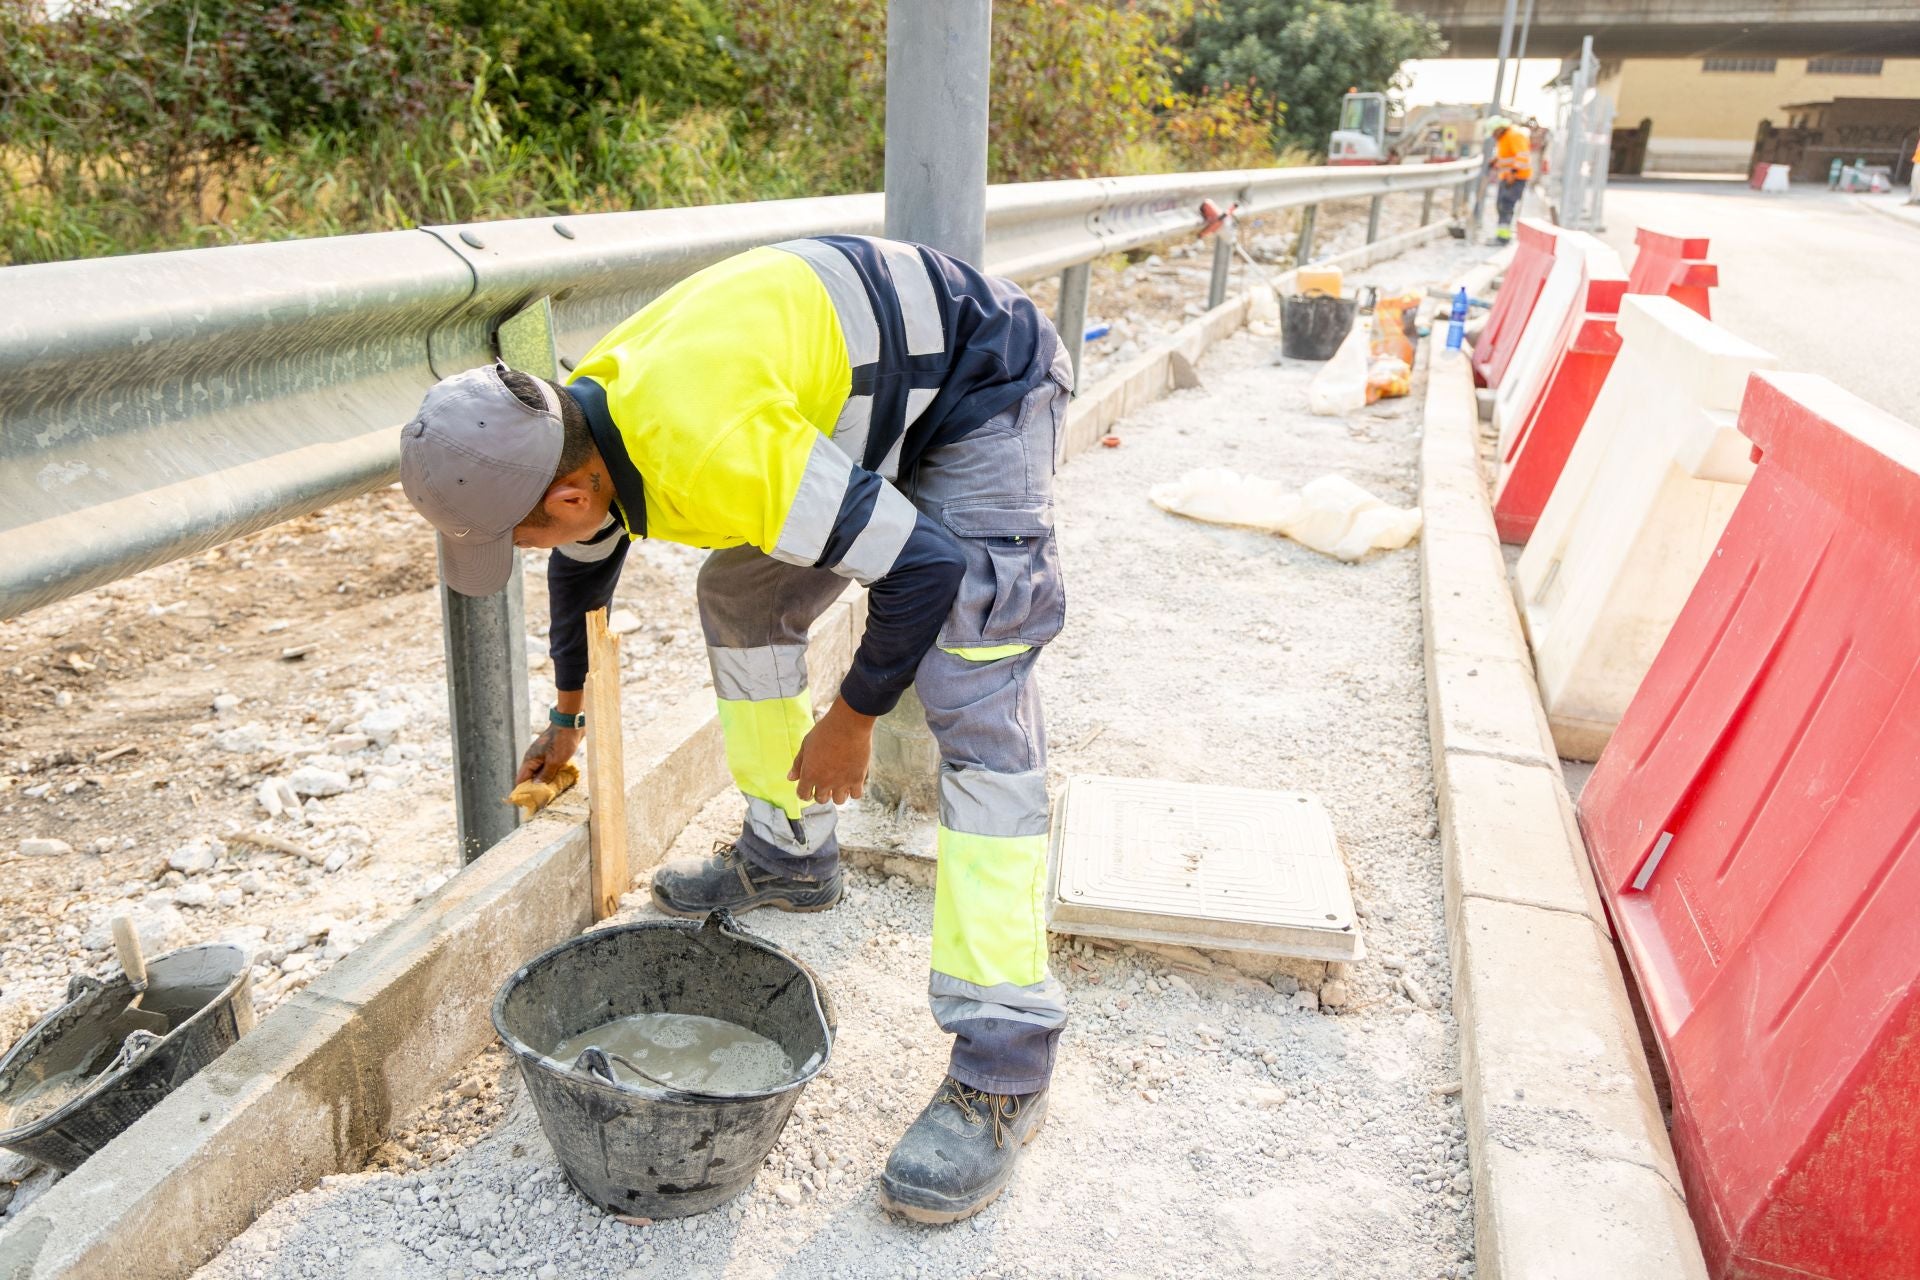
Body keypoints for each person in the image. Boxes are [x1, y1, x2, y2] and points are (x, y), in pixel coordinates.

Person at [398, 235, 1071, 1224]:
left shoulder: (709, 444)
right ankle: (790, 851)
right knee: (742, 593)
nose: (531, 550)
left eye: (521, 532)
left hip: (980, 391)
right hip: (871, 406)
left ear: (568, 489)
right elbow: (585, 557)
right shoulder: (582, 415)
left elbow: (920, 564)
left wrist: (852, 718)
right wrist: (568, 716)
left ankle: (1004, 1061)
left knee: (971, 673)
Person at [1490, 119, 1532, 243]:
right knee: (1501, 205)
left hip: (1517, 177)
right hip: (1506, 177)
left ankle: (1503, 237)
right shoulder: (1504, 137)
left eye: (1493, 133)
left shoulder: (1515, 135)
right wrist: (1495, 160)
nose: (1493, 136)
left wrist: (1513, 173)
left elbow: (1522, 156)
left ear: (1499, 129)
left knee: (1506, 205)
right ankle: (1501, 235)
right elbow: (1507, 155)